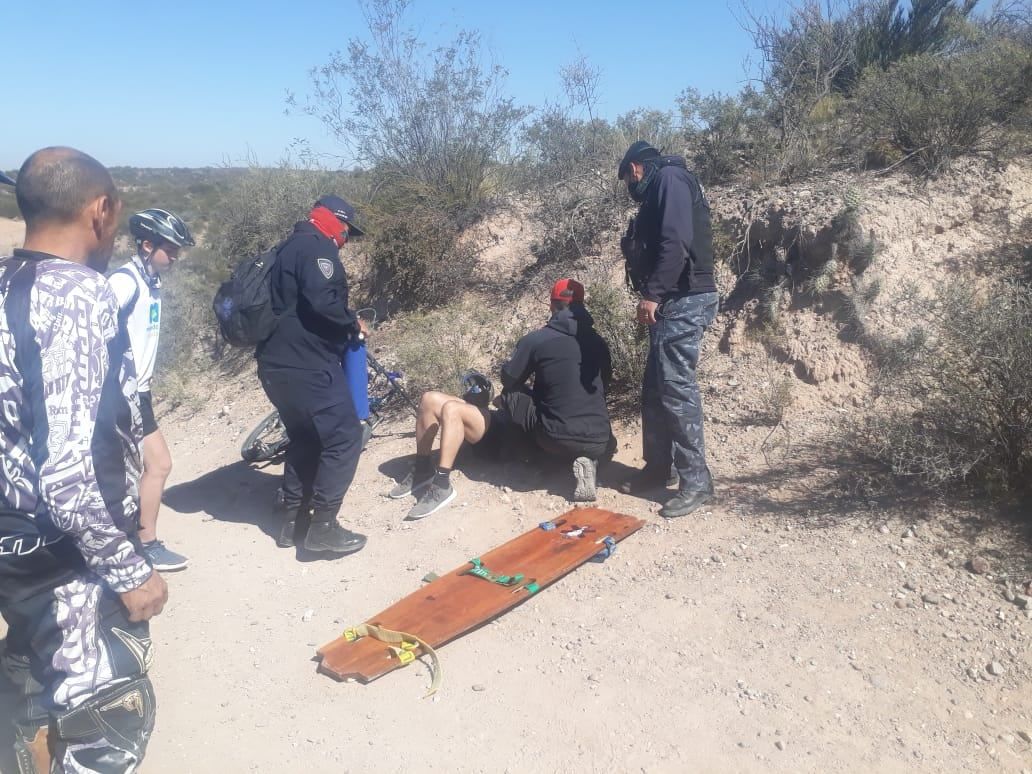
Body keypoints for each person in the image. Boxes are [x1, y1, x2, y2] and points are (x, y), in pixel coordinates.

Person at [0, 147, 167, 773]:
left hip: (13, 554)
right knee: (105, 728)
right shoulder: (80, 296)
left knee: (25, 712)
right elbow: (69, 478)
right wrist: (130, 570)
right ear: (101, 211)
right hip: (64, 565)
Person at [390, 279, 614, 520]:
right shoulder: (599, 343)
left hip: (545, 438)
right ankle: (423, 467)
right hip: (600, 438)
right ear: (582, 305)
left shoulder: (538, 339)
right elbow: (604, 386)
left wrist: (506, 398)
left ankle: (442, 481)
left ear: (552, 305)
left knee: (492, 399)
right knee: (430, 399)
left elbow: (510, 378)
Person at [256, 195, 369, 555]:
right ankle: (323, 526)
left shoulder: (285, 248)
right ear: (335, 222)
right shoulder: (317, 248)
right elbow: (322, 301)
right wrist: (352, 322)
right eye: (347, 231)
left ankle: (292, 520)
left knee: (306, 438)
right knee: (346, 436)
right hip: (308, 365)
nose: (347, 239)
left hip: (275, 366)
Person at [617, 140, 720, 518]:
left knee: (676, 388)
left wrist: (653, 294)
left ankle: (697, 482)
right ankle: (660, 467)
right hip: (674, 299)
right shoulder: (665, 185)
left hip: (685, 298)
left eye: (627, 176)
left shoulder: (671, 179)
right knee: (655, 387)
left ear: (637, 168)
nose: (629, 184)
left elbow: (675, 242)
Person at [108, 209, 194, 572]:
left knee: (139, 469)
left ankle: (133, 542)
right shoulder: (124, 283)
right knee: (157, 465)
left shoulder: (149, 281)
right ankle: (145, 544)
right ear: (146, 245)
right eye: (169, 249)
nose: (174, 257)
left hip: (138, 393)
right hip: (120, 395)